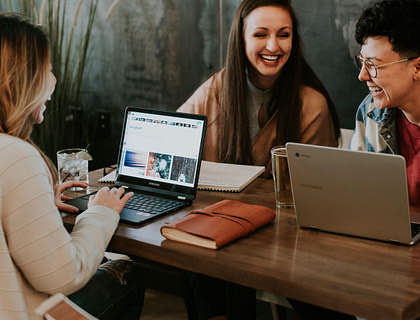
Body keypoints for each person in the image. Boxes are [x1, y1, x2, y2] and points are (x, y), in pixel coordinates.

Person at [0, 14, 144, 320]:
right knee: (127, 274)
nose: (52, 83)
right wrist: (100, 213)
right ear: (21, 81)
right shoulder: (16, 156)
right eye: (47, 71)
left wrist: (37, 204)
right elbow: (62, 276)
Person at [178, 0, 340, 176]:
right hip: (215, 203)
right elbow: (170, 144)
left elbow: (317, 185)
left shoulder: (312, 105)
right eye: (260, 35)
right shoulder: (214, 89)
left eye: (284, 35)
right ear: (241, 39)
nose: (273, 46)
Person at [350, 0, 420, 208]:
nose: (362, 75)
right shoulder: (370, 111)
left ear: (417, 68)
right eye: (362, 62)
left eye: (373, 65)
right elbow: (354, 194)